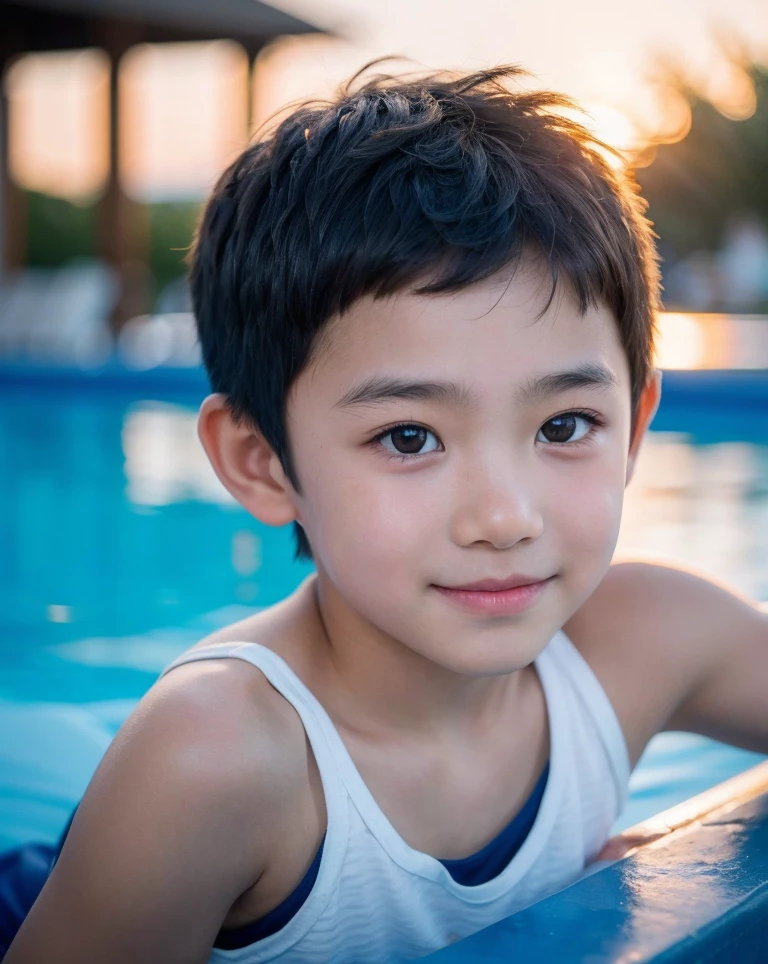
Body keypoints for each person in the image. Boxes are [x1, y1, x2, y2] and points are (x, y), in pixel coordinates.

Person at [6, 66, 768, 963]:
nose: (503, 517)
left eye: (565, 425)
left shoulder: (649, 639)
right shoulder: (216, 760)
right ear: (262, 463)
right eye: (409, 437)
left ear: (635, 427)